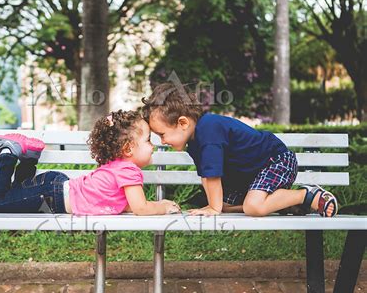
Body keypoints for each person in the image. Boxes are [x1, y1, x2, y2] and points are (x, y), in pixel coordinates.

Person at [141, 82, 338, 217]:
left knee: (252, 207)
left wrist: (213, 208)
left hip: (276, 161)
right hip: (254, 174)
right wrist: (216, 206)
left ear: (183, 123)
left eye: (162, 134)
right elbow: (206, 177)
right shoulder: (194, 140)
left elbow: (213, 176)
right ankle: (286, 203)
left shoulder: (208, 129)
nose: (162, 140)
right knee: (225, 206)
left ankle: (307, 195)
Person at [0, 110, 181, 216]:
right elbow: (141, 208)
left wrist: (152, 205)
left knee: (15, 193)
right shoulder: (129, 171)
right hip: (52, 194)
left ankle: (28, 159)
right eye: (148, 140)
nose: (152, 145)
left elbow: (126, 205)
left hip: (53, 189)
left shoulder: (118, 166)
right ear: (128, 149)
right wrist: (162, 206)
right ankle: (8, 153)